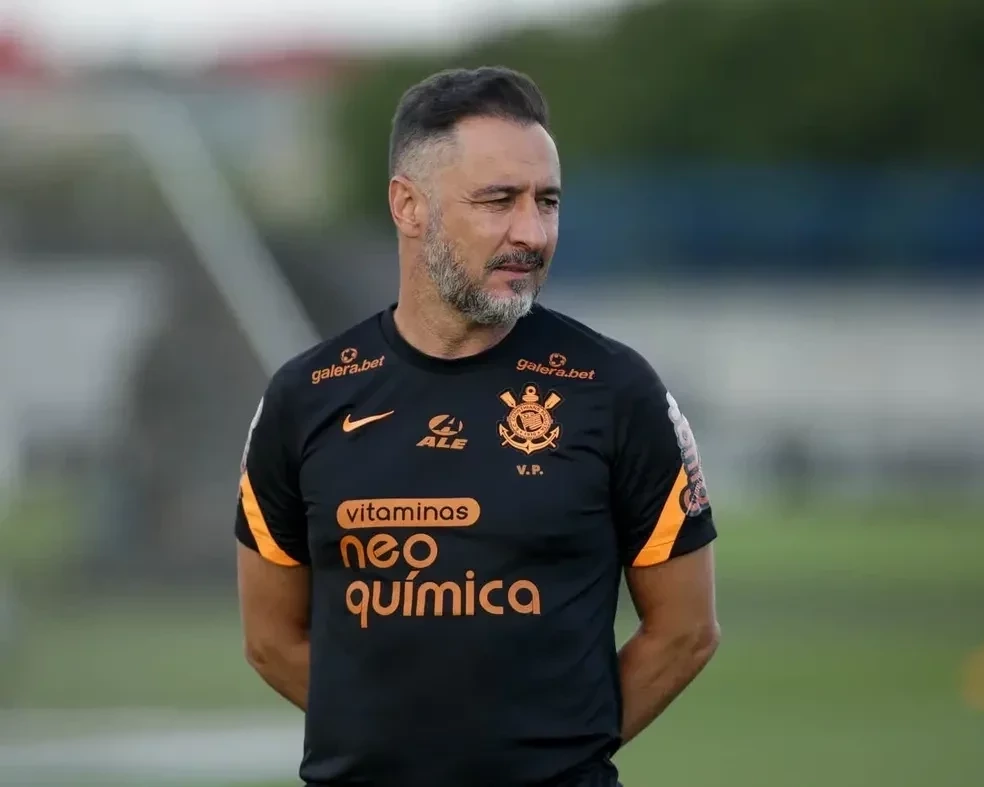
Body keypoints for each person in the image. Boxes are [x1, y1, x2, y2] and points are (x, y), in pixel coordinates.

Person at [235, 65, 719, 787]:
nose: (532, 231)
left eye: (547, 201)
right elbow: (272, 639)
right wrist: (408, 750)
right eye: (498, 201)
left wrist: (547, 756)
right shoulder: (304, 397)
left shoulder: (617, 391)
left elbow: (685, 632)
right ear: (409, 206)